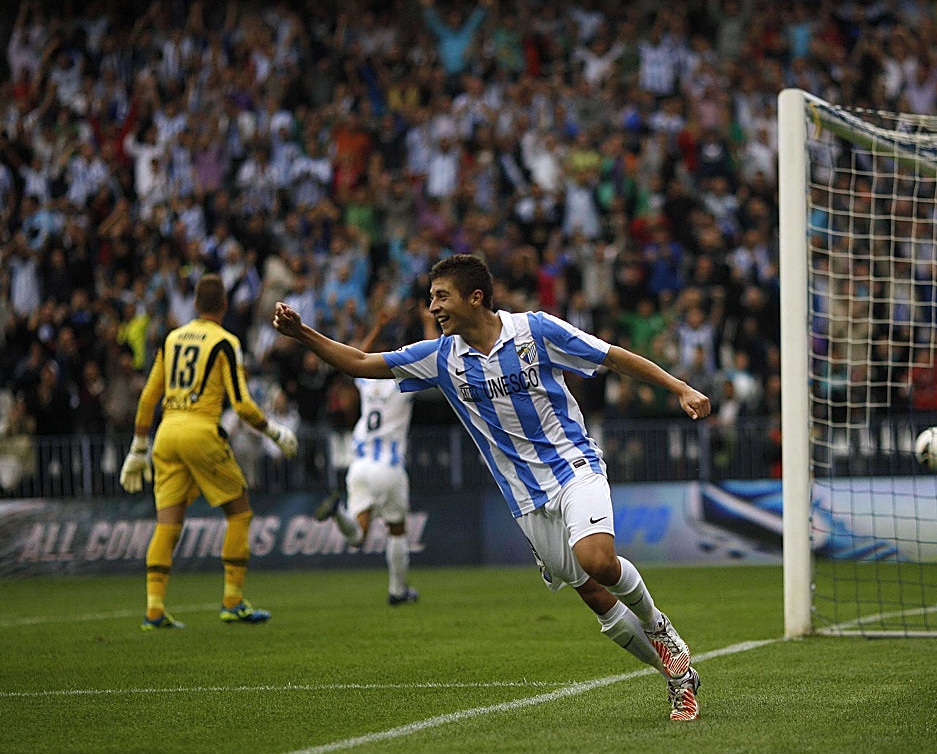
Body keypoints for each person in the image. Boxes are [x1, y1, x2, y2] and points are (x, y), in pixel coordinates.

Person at [273, 253, 711, 722]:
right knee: (596, 599)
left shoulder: (535, 332)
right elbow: (360, 362)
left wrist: (679, 386)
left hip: (573, 466)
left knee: (598, 560)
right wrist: (303, 333)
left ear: (474, 298)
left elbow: (609, 356)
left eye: (441, 297)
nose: (433, 307)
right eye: (430, 297)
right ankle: (677, 679)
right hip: (524, 498)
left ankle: (659, 628)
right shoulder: (442, 358)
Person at [121, 273, 299, 630]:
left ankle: (154, 610)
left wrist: (138, 447)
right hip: (200, 429)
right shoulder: (225, 340)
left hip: (167, 433)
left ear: (195, 305)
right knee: (239, 511)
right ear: (224, 305)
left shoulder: (172, 339)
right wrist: (275, 431)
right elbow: (242, 404)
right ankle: (232, 601)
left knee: (167, 523)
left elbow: (147, 398)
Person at [313, 307, 434, 606]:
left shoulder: (367, 383)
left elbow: (354, 359)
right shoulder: (403, 382)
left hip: (359, 465)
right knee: (397, 530)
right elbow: (434, 359)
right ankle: (397, 591)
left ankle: (338, 512)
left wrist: (377, 328)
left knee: (356, 537)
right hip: (388, 467)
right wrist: (429, 324)